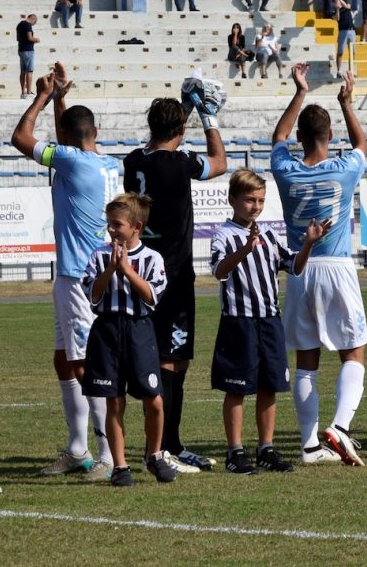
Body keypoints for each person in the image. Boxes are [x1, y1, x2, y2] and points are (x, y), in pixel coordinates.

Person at [12, 63, 119, 481]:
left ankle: (108, 454)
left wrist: (40, 97)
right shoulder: (103, 162)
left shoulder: (74, 162)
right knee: (64, 360)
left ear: (71, 141)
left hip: (81, 277)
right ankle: (78, 450)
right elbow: (66, 141)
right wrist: (60, 98)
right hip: (81, 274)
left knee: (84, 364)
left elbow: (22, 138)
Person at [271, 64, 367, 466]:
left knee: (306, 360)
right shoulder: (343, 169)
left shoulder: (286, 170)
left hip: (300, 268)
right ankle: (341, 428)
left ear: (300, 139)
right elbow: (362, 143)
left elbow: (276, 137)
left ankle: (310, 445)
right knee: (354, 353)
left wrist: (299, 92)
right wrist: (346, 103)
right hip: (336, 266)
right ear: (330, 137)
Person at [122, 91, 227, 471]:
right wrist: (208, 116)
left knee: (162, 359)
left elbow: (161, 144)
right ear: (182, 128)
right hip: (173, 274)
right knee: (173, 361)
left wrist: (183, 110)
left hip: (140, 270)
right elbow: (219, 163)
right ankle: (165, 448)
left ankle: (170, 445)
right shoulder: (179, 163)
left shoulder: (133, 160)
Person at [209, 170, 324, 474]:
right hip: (239, 322)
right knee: (236, 388)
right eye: (249, 200)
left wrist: (309, 244)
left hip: (269, 321)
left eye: (260, 200)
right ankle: (235, 452)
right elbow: (220, 271)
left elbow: (293, 266)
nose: (255, 206)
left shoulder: (269, 235)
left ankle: (266, 449)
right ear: (232, 199)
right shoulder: (224, 235)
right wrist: (245, 249)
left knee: (269, 386)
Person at [80, 193, 179, 487]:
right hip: (107, 332)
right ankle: (120, 466)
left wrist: (126, 270)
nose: (111, 230)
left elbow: (152, 297)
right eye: (109, 224)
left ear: (136, 227)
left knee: (155, 400)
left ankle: (155, 455)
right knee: (115, 402)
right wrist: (111, 268)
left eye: (117, 225)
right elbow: (93, 296)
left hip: (139, 331)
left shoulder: (152, 258)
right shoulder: (99, 256)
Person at [16, 13, 37, 98]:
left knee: (23, 71)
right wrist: (36, 39)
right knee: (29, 71)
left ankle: (23, 92)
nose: (33, 24)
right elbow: (30, 37)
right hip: (28, 50)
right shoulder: (28, 25)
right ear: (33, 19)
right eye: (34, 22)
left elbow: (18, 38)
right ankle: (28, 92)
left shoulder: (19, 25)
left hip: (21, 49)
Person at [334, 0, 355, 76]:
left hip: (351, 31)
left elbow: (347, 6)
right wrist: (337, 9)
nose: (336, 1)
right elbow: (337, 18)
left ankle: (351, 70)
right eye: (335, 0)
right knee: (340, 52)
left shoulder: (347, 5)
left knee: (352, 53)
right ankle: (339, 70)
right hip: (342, 31)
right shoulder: (334, 11)